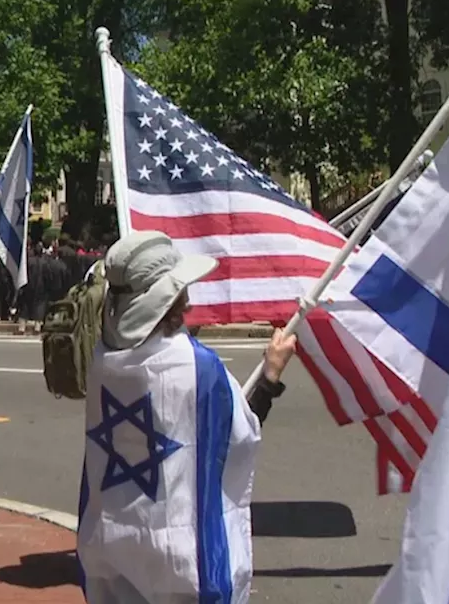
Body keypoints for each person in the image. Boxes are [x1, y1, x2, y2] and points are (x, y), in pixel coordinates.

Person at [77, 231, 295, 602]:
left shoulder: (103, 360)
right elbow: (237, 436)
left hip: (112, 549)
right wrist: (271, 373)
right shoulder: (198, 366)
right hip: (181, 559)